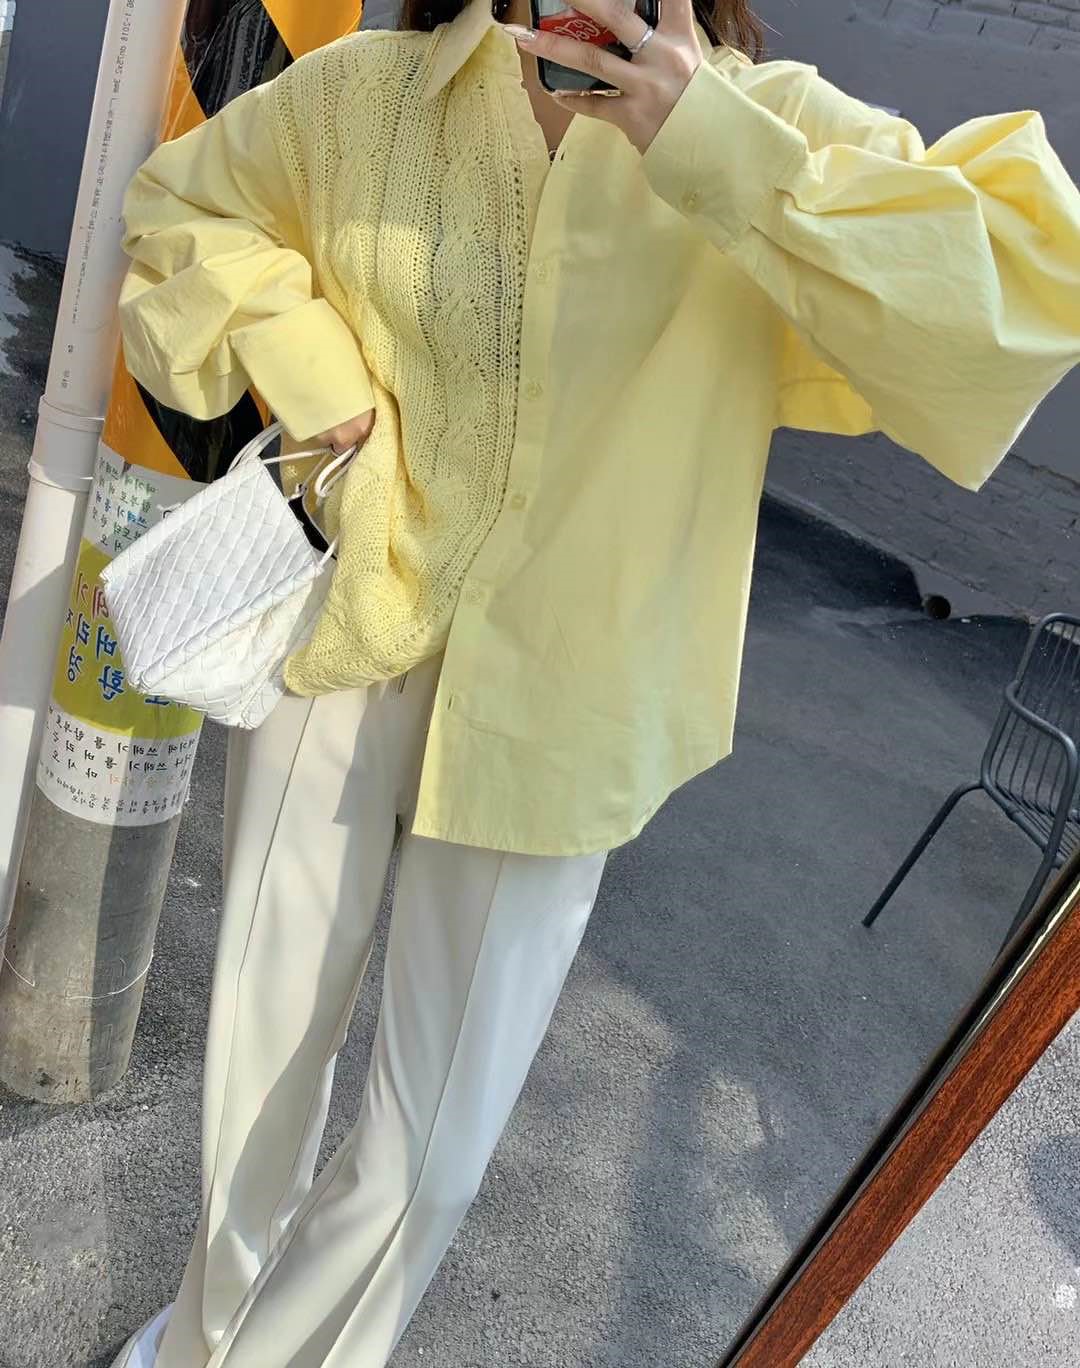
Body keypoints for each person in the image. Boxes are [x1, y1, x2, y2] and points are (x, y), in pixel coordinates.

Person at [111, 0, 1080, 1361]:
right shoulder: (374, 95)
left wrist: (712, 145)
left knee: (426, 1164)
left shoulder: (774, 123)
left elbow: (1026, 287)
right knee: (254, 1086)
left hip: (563, 698)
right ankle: (205, 1337)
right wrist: (319, 385)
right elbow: (184, 205)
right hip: (344, 634)